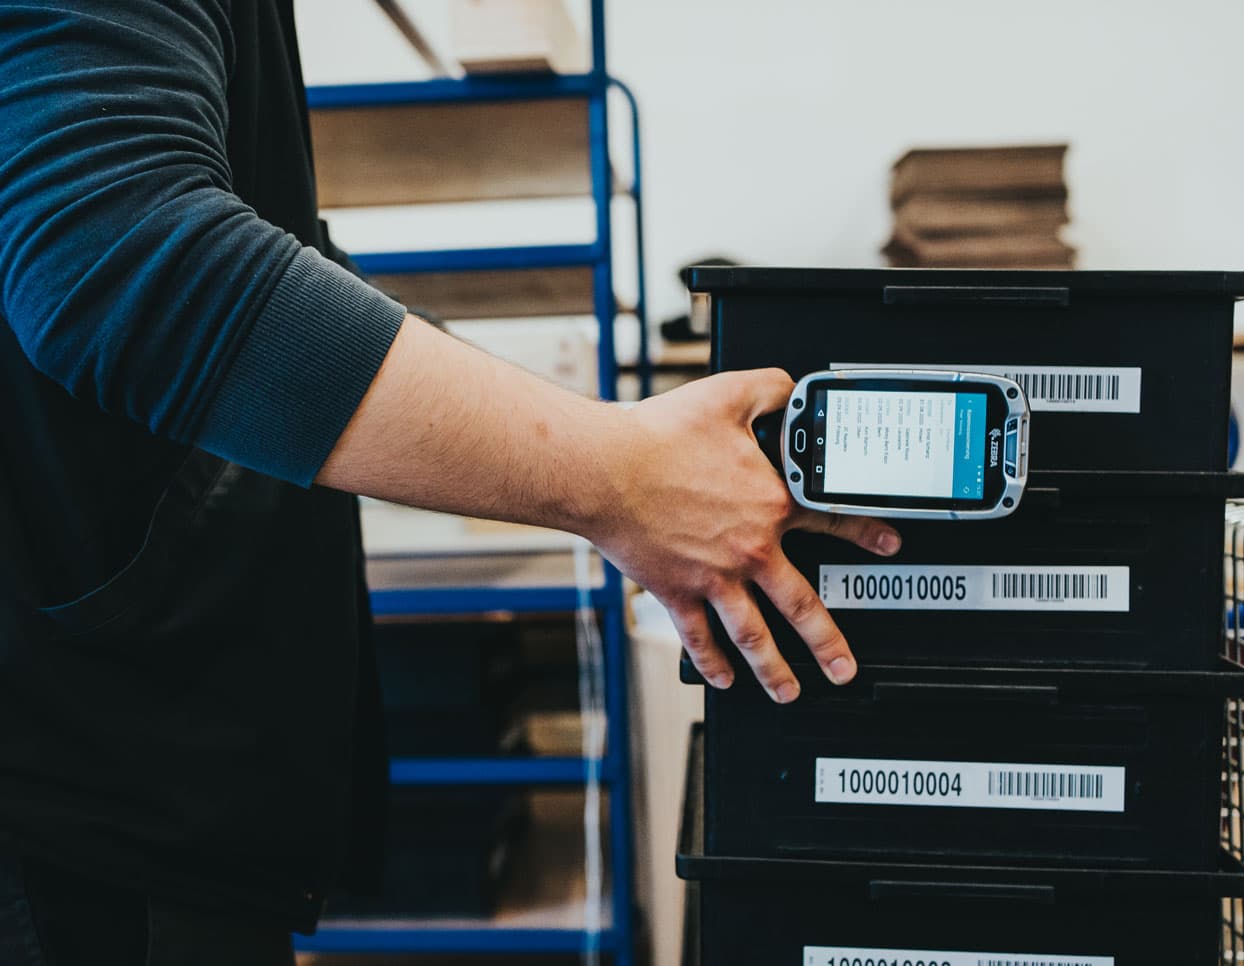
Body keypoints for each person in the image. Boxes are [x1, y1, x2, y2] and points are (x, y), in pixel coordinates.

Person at [0, 1, 901, 961]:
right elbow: (114, 251)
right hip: (82, 790)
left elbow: (276, 243)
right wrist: (618, 476)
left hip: (153, 757)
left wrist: (617, 441)